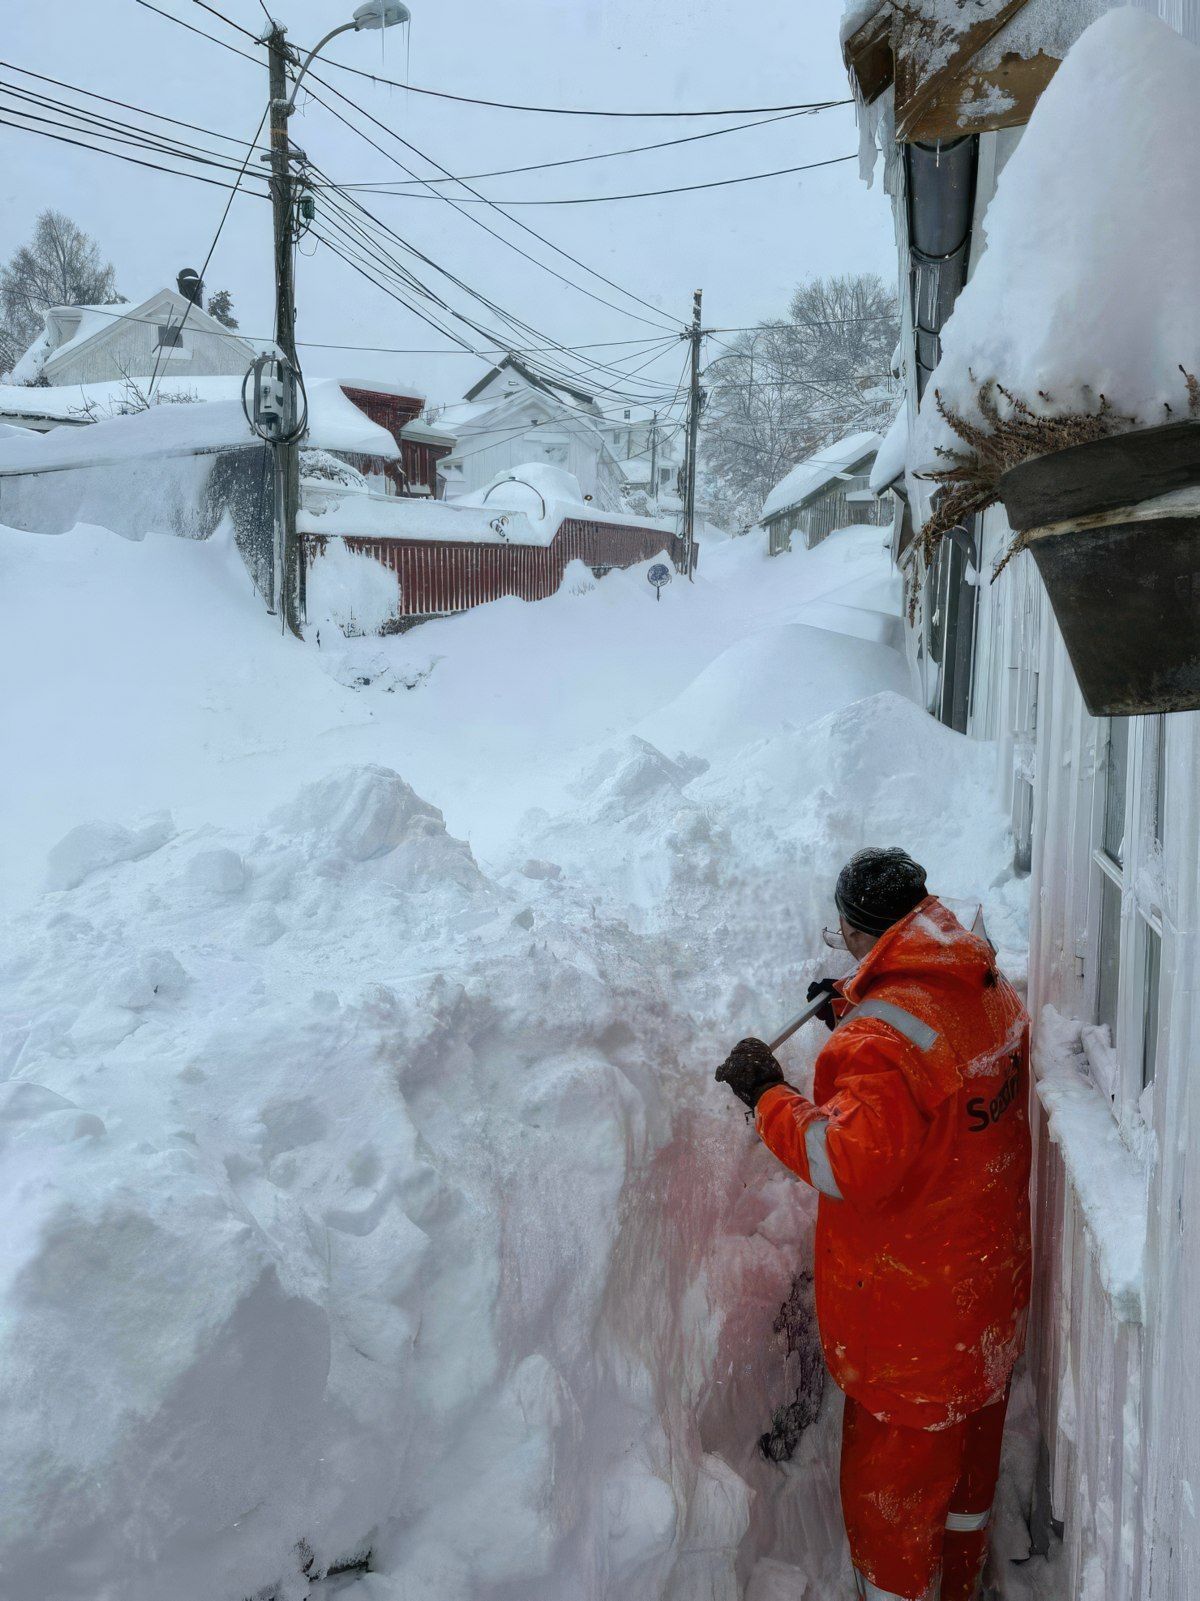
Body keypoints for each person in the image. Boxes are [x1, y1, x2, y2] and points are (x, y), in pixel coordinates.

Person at [716, 847, 1032, 1601]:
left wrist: (767, 1096)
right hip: (984, 1303)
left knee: (893, 1514)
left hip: (911, 1332)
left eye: (844, 937)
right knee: (965, 1487)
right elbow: (934, 1064)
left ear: (863, 934)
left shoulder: (882, 1042)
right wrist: (857, 1003)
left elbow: (845, 1161)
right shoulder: (978, 980)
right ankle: (962, 1586)